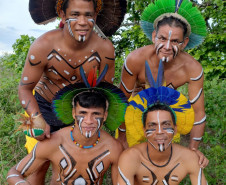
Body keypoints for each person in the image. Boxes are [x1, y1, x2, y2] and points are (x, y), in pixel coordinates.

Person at [119, 0, 207, 158]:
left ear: (184, 43)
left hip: (168, 118)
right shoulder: (136, 60)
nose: (167, 47)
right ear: (154, 36)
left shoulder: (192, 68)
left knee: (162, 165)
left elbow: (198, 113)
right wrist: (122, 138)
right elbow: (121, 102)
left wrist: (193, 149)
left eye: (174, 41)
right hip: (135, 115)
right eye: (162, 38)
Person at [7, 88, 125, 185]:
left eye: (96, 114)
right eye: (83, 113)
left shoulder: (113, 148)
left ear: (105, 116)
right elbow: (14, 172)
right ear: (74, 113)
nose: (89, 121)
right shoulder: (55, 142)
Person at [118, 103, 208, 185]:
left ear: (175, 129)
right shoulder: (130, 158)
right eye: (152, 125)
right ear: (144, 131)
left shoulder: (189, 158)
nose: (159, 131)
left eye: (166, 124)